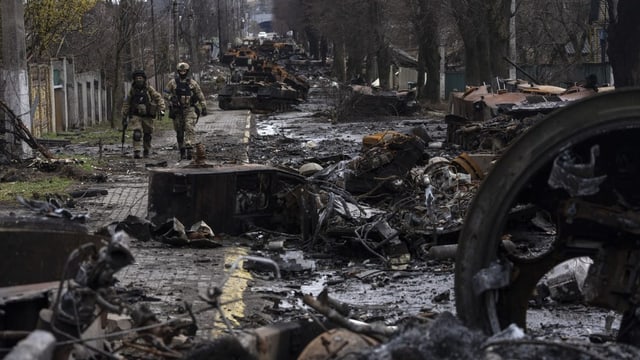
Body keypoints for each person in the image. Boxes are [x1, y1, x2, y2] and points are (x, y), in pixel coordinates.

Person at [164, 62, 207, 160]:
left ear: (187, 71)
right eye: (180, 71)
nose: (182, 72)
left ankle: (189, 148)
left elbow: (200, 95)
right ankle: (182, 149)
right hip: (177, 111)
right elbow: (165, 93)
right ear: (178, 71)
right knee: (179, 132)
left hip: (189, 109)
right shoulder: (172, 83)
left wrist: (204, 107)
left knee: (189, 127)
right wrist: (171, 98)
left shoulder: (192, 83)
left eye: (184, 71)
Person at [121, 69, 166, 159]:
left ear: (144, 79)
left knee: (147, 134)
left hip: (147, 115)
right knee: (137, 133)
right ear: (134, 79)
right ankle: (137, 151)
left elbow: (158, 98)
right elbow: (126, 103)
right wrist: (124, 115)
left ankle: (146, 150)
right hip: (135, 115)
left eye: (140, 78)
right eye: (137, 78)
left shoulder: (149, 89)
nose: (139, 80)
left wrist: (162, 108)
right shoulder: (132, 91)